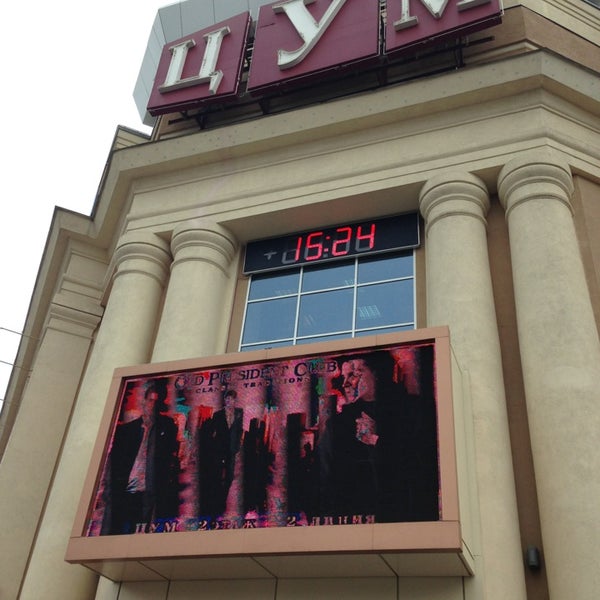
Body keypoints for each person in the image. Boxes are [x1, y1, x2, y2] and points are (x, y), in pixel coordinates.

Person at [320, 349, 439, 523]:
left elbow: (424, 468)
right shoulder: (338, 423)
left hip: (404, 518)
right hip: (353, 520)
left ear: (378, 374)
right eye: (344, 377)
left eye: (354, 375)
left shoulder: (413, 410)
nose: (345, 384)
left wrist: (376, 440)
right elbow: (326, 478)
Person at [103, 378, 180, 534]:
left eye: (156, 402)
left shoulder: (167, 427)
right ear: (144, 401)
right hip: (126, 492)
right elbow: (113, 465)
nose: (153, 406)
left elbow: (169, 459)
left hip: (149, 494)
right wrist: (109, 494)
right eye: (150, 401)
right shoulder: (126, 431)